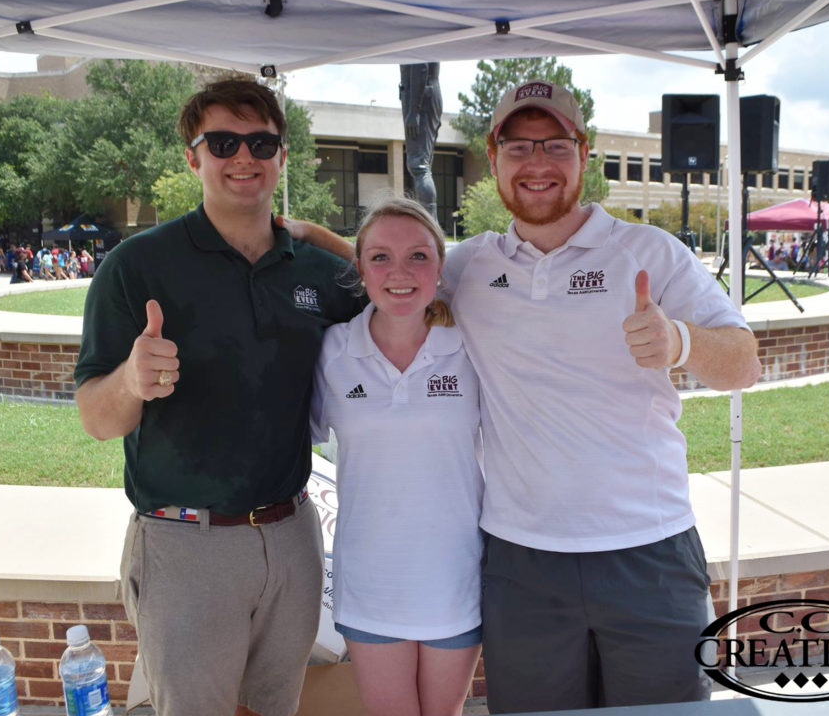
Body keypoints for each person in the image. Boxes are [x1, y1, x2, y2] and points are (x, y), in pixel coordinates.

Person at [290, 81, 761, 712]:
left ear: (583, 151)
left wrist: (678, 341)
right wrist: (300, 232)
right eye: (518, 146)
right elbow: (396, 264)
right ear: (494, 156)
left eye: (554, 144)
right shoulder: (471, 267)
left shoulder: (650, 253)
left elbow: (744, 363)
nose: (536, 163)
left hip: (647, 549)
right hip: (522, 559)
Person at [74, 77, 360, 716]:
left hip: (292, 536)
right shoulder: (137, 265)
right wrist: (130, 379)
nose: (244, 157)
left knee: (275, 708)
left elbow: (413, 287)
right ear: (192, 156)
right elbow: (96, 417)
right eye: (224, 141)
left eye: (261, 142)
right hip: (186, 544)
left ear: (282, 156)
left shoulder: (318, 271)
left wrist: (328, 239)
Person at [311, 198, 483, 716]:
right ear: (360, 269)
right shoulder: (333, 351)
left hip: (456, 580)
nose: (399, 273)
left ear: (441, 266)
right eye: (380, 258)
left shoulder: (473, 346)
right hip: (371, 585)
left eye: (418, 257)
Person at [399, 62, 442, 218]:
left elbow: (420, 65)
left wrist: (414, 110)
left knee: (419, 166)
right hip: (424, 93)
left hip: (420, 96)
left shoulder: (413, 37)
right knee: (422, 166)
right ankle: (429, 222)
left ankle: (429, 222)